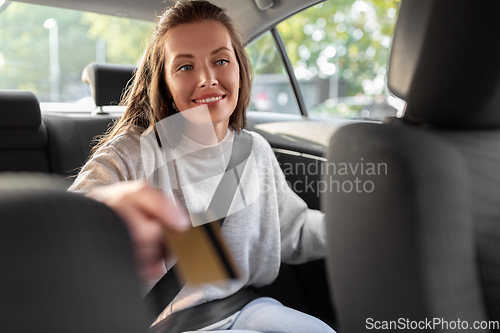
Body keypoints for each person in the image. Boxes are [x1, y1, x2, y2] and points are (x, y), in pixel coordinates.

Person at [70, 1, 334, 332]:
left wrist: (352, 228)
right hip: (167, 319)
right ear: (165, 82)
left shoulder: (254, 151)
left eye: (221, 60)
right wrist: (105, 212)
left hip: (243, 304)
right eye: (185, 67)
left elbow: (291, 229)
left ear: (240, 69)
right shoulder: (132, 152)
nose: (208, 78)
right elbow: (65, 219)